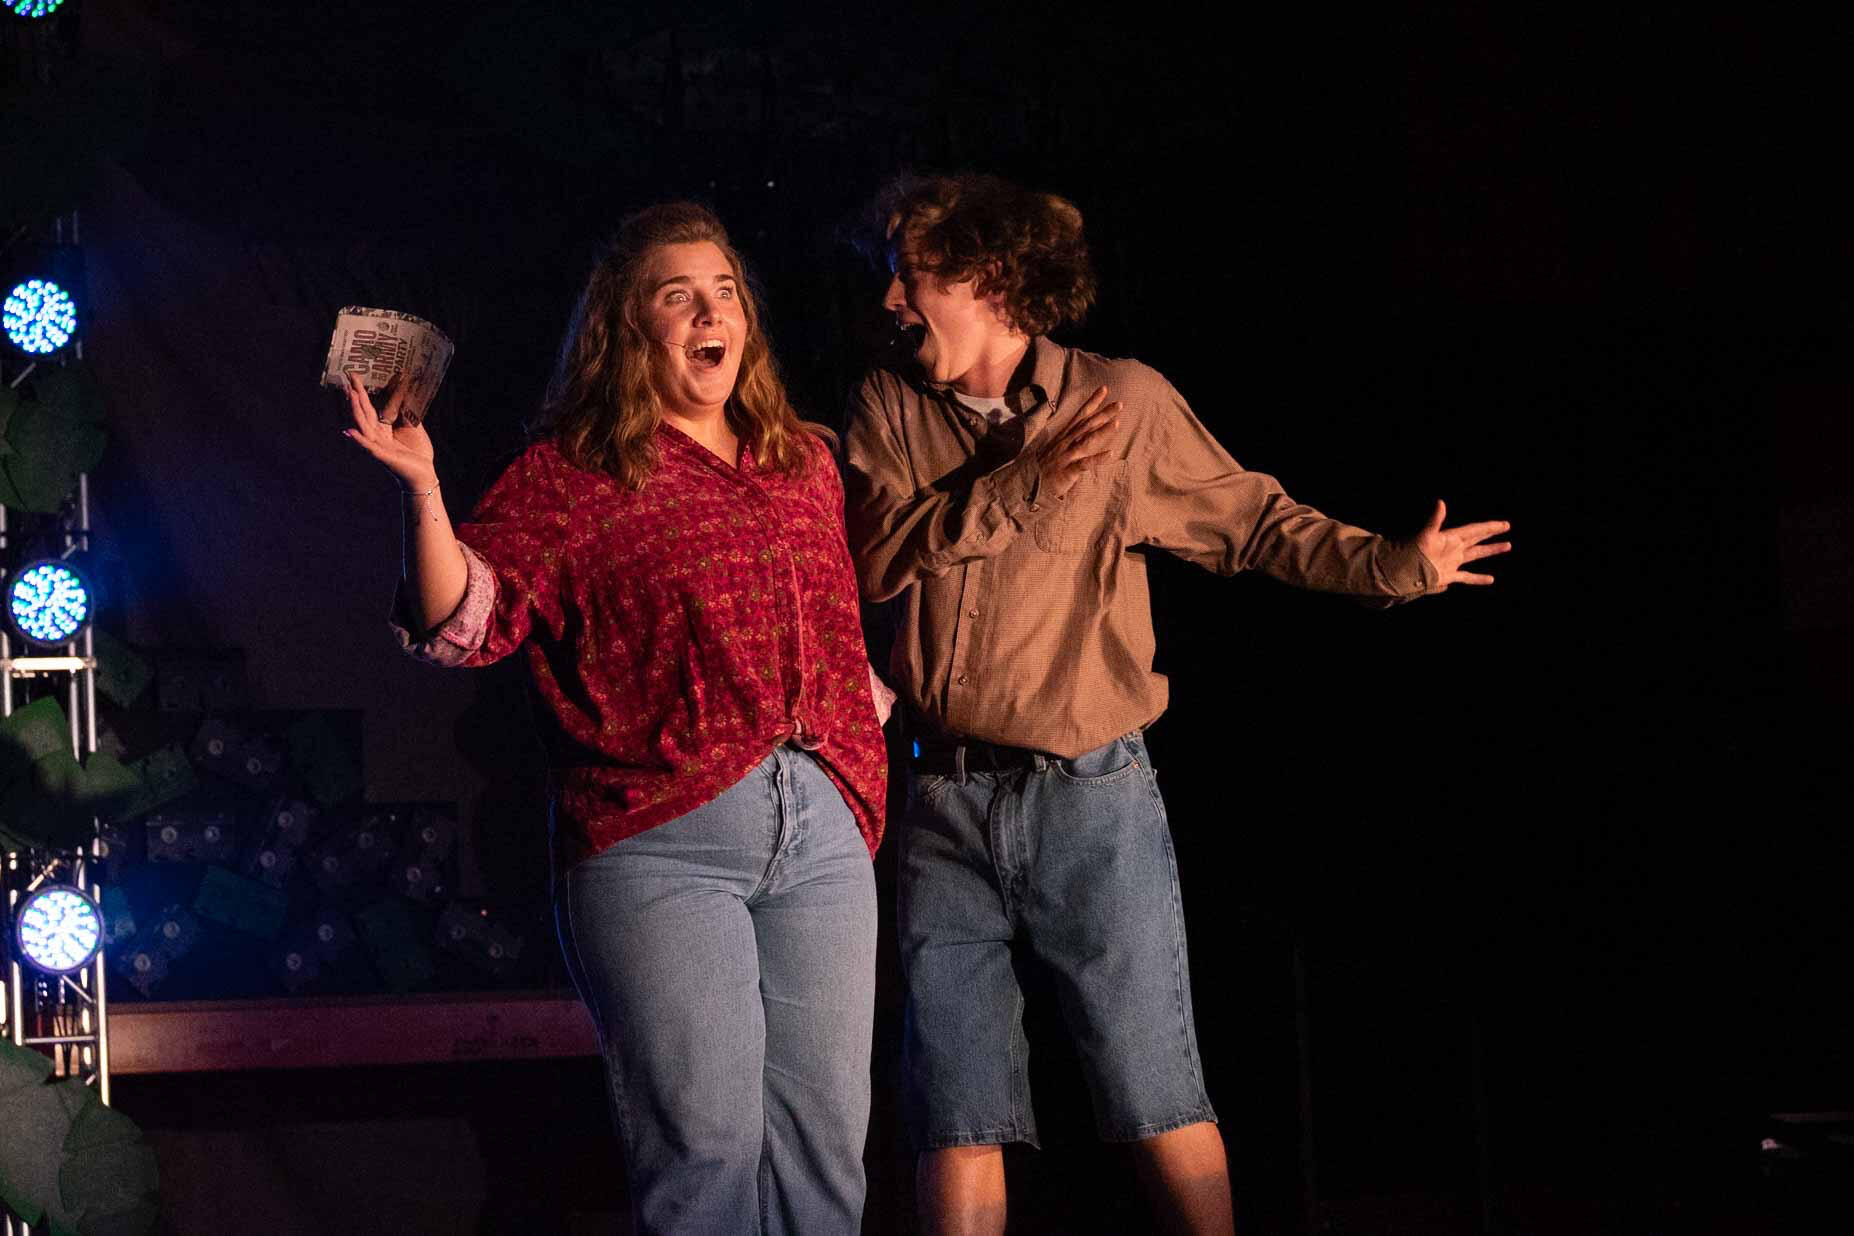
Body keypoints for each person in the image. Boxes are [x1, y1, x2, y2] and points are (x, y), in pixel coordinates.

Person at [843, 173, 1511, 1236]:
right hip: (941, 802)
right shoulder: (888, 407)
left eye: (910, 276)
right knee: (955, 1112)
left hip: (1088, 797)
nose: (890, 302)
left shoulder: (1120, 404)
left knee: (1153, 1091)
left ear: (991, 278)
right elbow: (878, 558)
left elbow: (1253, 521)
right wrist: (1021, 485)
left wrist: (1392, 566)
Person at [345, 202, 890, 1235]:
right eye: (678, 296)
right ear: (628, 326)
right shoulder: (577, 474)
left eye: (724, 292)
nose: (710, 313)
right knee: (707, 1155)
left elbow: (837, 635)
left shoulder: (801, 464)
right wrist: (423, 493)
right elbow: (466, 621)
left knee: (825, 1155)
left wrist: (849, 770)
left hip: (821, 837)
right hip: (662, 843)